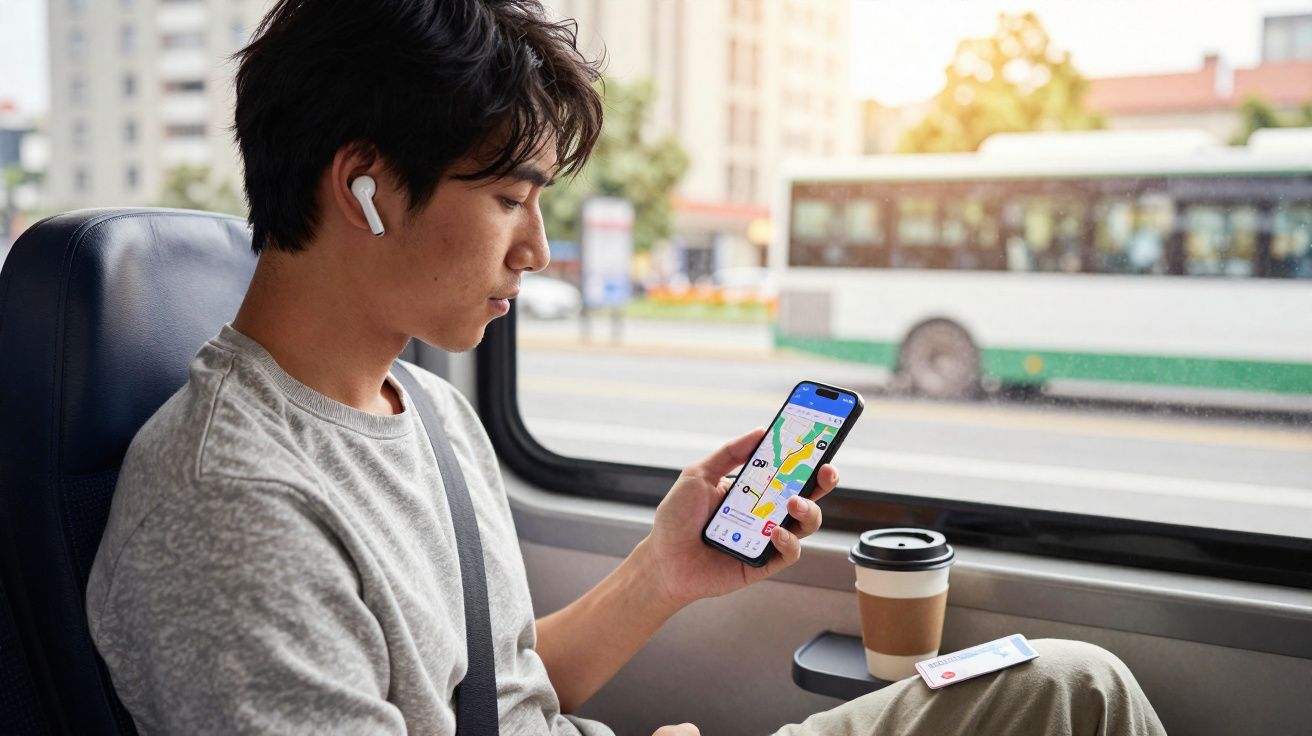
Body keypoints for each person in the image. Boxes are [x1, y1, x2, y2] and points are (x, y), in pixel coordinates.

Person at [84, 1, 1168, 734]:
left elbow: (499, 693)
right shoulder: (231, 506)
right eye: (508, 198)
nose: (536, 248)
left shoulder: (428, 410)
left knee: (1072, 685)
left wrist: (663, 569)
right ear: (363, 186)